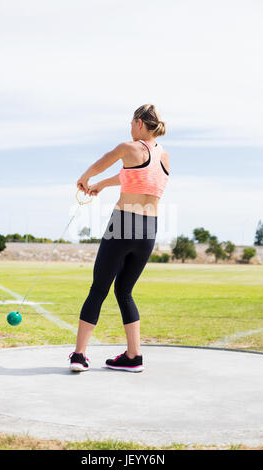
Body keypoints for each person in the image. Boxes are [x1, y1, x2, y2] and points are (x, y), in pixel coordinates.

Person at [69, 104, 170, 372]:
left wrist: (85, 177)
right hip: (149, 230)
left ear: (138, 122)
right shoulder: (164, 156)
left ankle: (79, 355)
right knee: (124, 291)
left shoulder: (129, 147)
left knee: (98, 289)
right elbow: (133, 176)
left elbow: (104, 160)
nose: (129, 128)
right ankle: (134, 357)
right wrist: (101, 185)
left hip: (124, 223)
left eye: (131, 123)